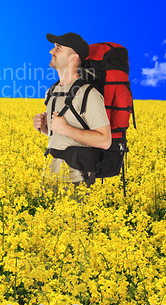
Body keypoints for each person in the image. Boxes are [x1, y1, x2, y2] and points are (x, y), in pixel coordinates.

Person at [33, 32, 111, 188]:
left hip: (77, 180)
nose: (51, 51)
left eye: (58, 48)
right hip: (49, 176)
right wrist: (44, 128)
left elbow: (105, 140)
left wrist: (66, 129)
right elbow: (61, 135)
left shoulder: (89, 94)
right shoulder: (52, 91)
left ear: (73, 58)